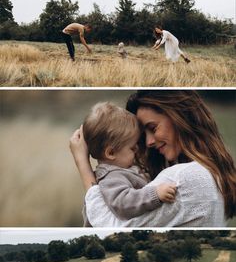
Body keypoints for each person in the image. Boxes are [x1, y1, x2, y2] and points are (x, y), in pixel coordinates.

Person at [70, 90, 236, 227]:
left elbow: (109, 228)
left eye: (153, 128)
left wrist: (83, 166)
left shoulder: (182, 178)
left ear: (179, 117)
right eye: (143, 136)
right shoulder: (214, 175)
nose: (148, 142)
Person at [80, 102, 176, 225]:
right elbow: (123, 203)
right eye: (132, 148)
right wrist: (155, 194)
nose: (137, 150)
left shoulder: (122, 169)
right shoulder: (111, 177)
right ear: (111, 153)